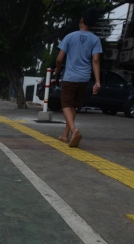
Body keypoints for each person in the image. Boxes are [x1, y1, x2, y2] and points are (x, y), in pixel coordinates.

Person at [54, 7, 102, 148]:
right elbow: (96, 60)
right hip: (84, 78)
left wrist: (57, 69)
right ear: (93, 25)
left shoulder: (70, 37)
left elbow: (59, 58)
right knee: (73, 106)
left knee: (66, 105)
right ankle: (65, 135)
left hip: (70, 77)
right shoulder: (95, 40)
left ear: (81, 20)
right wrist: (98, 82)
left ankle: (74, 130)